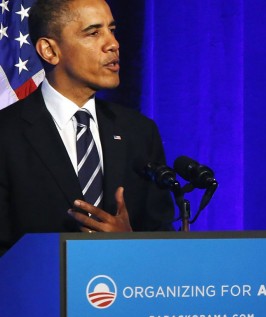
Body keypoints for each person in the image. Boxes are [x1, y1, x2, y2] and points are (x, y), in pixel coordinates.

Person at [0, 0, 175, 258]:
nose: (113, 44)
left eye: (111, 30)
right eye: (94, 33)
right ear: (49, 50)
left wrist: (131, 243)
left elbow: (163, 237)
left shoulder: (139, 132)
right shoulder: (6, 134)